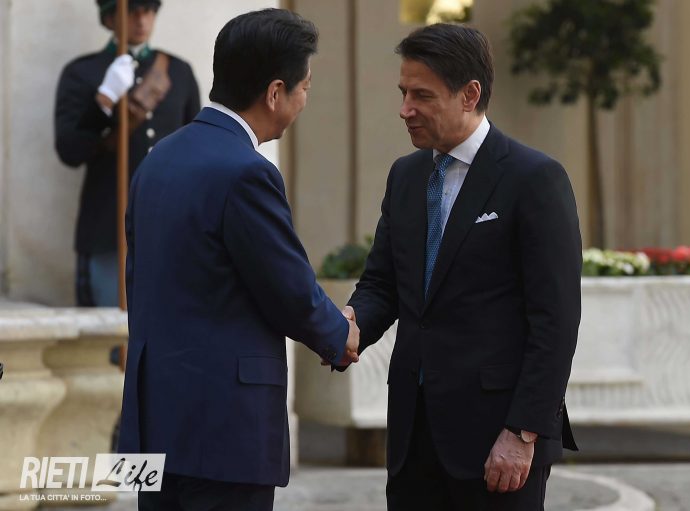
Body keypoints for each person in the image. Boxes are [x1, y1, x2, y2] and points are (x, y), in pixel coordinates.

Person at [117, 8, 360, 511]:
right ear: (275, 92)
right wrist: (340, 336)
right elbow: (288, 288)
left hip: (156, 421)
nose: (305, 99)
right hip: (223, 430)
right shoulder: (247, 172)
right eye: (305, 87)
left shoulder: (157, 160)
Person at [343, 23, 582, 510]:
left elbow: (555, 321)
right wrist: (345, 325)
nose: (405, 109)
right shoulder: (405, 176)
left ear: (470, 95)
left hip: (499, 440)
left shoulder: (534, 178)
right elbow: (383, 284)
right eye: (403, 93)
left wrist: (523, 432)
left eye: (422, 96)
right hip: (413, 438)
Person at [55, 0, 200, 306]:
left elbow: (196, 150)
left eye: (148, 11)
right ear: (110, 18)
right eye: (132, 11)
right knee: (110, 328)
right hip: (109, 226)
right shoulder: (82, 72)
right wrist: (104, 100)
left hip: (171, 226)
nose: (142, 20)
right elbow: (70, 151)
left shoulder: (179, 72)